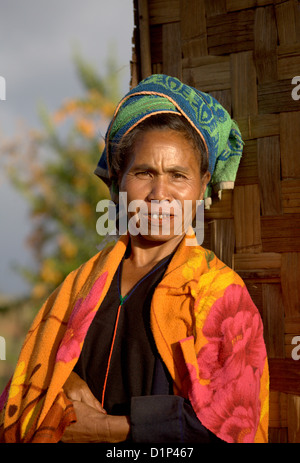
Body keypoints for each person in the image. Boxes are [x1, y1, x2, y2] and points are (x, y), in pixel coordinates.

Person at [0, 74, 269, 443]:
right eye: (144, 172)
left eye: (178, 175)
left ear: (202, 184)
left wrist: (112, 430)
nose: (160, 194)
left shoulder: (219, 294)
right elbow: (31, 381)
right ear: (118, 177)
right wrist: (63, 379)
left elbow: (236, 423)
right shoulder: (81, 285)